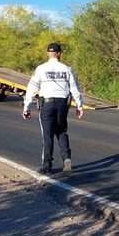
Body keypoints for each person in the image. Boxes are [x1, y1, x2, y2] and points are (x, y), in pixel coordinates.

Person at [22, 43, 84, 175]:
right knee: (61, 131)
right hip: (62, 104)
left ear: (47, 54)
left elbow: (31, 88)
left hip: (47, 104)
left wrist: (26, 107)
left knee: (47, 134)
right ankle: (66, 159)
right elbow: (75, 88)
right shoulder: (67, 69)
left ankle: (47, 166)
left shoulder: (41, 69)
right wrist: (79, 105)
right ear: (60, 54)